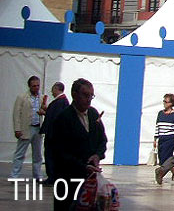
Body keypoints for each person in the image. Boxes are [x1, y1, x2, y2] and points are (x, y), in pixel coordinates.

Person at [49, 78, 107, 211]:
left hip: (89, 179)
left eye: (91, 96)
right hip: (67, 178)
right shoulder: (63, 118)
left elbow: (102, 140)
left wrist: (97, 155)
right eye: (85, 95)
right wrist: (82, 166)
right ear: (74, 95)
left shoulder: (93, 114)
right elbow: (59, 151)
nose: (89, 99)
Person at [12, 75, 45, 180]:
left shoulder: (42, 97)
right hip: (26, 128)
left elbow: (45, 110)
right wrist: (17, 129)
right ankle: (15, 175)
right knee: (20, 153)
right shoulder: (22, 97)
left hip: (37, 128)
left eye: (38, 85)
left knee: (37, 155)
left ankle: (37, 175)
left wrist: (43, 111)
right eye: (34, 86)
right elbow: (16, 114)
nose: (36, 88)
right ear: (29, 86)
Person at [40, 81, 68, 185]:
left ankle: (51, 177)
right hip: (56, 136)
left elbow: (55, 118)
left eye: (53, 89)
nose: (52, 92)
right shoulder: (62, 101)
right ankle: (54, 176)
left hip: (53, 135)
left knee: (50, 155)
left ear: (57, 89)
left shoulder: (59, 102)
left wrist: (45, 113)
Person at [153, 93, 174, 180]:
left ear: (171, 103)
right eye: (164, 101)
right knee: (161, 158)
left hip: (170, 138)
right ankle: (172, 170)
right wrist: (155, 139)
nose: (164, 103)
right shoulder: (160, 113)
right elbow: (157, 126)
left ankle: (160, 174)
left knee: (166, 157)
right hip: (161, 138)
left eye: (166, 102)